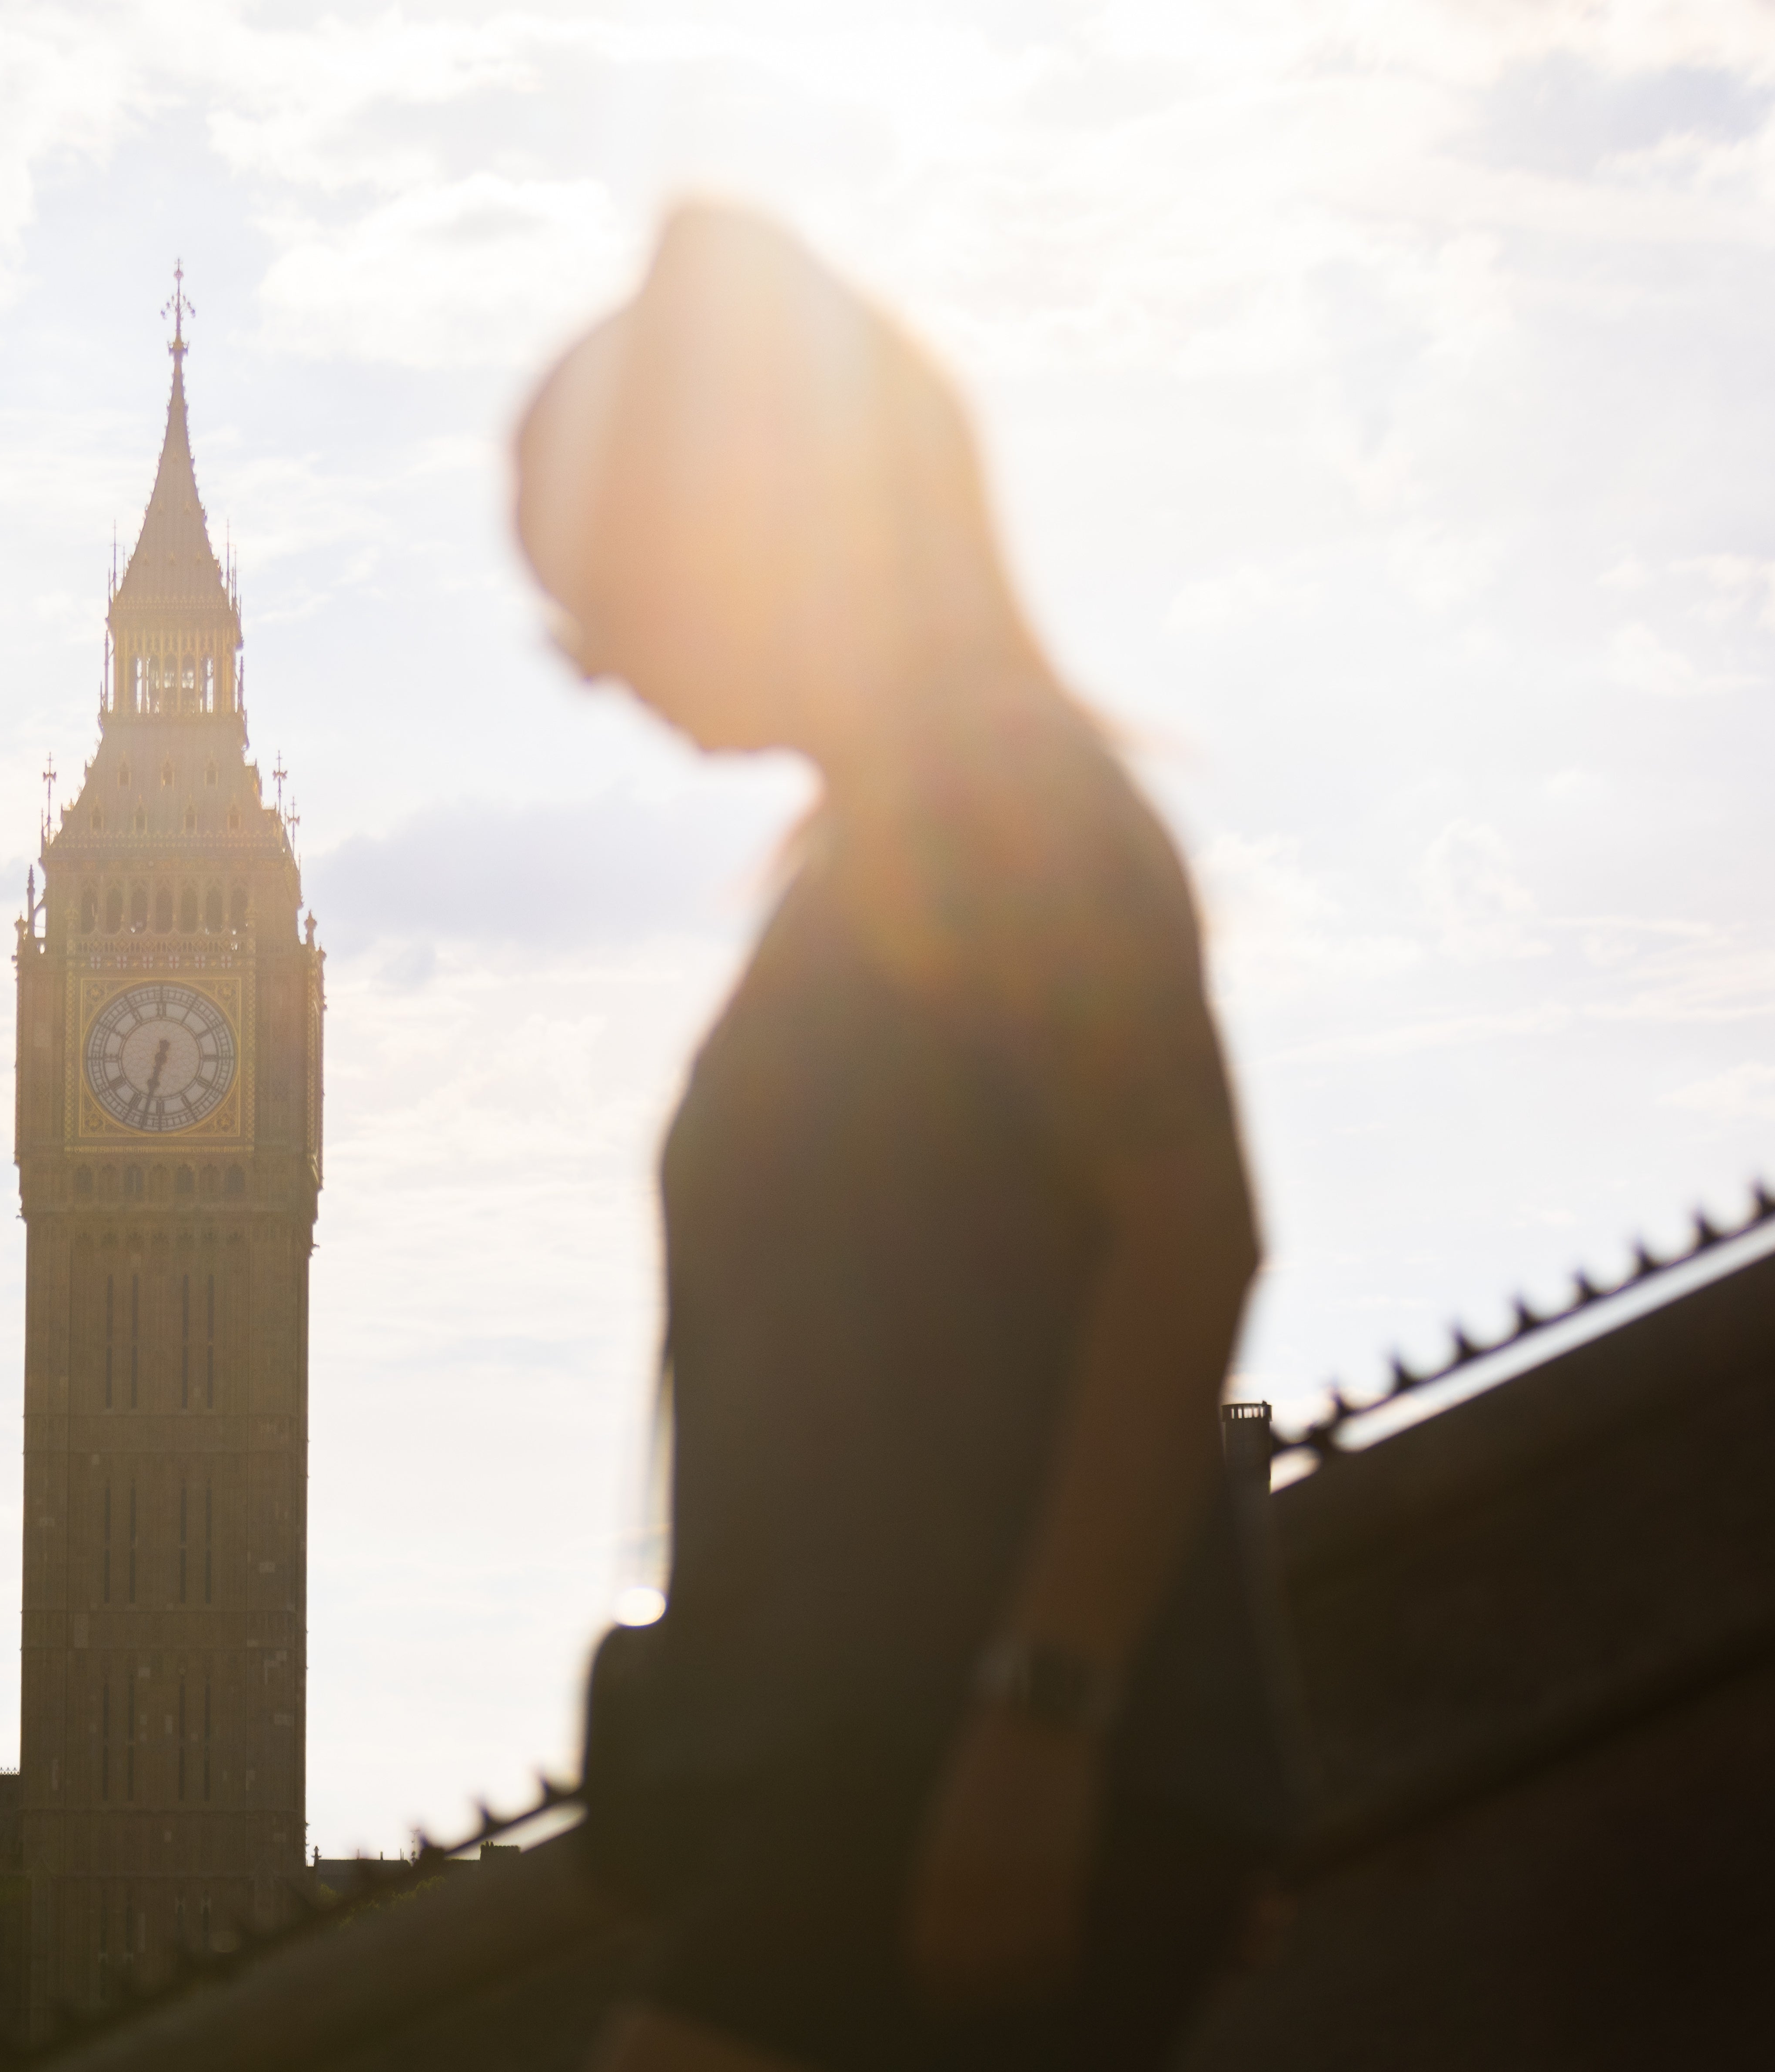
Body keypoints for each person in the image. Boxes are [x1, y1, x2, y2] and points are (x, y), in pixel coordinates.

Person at [516, 204, 1297, 2072]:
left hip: (938, 1765)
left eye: (597, 602)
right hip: (864, 1761)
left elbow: (1189, 1228)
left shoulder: (997, 795)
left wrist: (1043, 1717)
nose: (596, 670)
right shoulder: (873, 848)